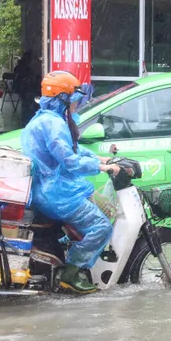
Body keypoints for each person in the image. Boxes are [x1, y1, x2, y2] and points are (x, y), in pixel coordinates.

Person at [21, 71, 120, 294]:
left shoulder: (46, 119)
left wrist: (99, 158)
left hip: (51, 189)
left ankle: (67, 254)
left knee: (98, 213)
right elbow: (68, 160)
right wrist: (101, 167)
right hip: (57, 193)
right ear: (62, 98)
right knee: (101, 226)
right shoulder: (53, 124)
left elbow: (72, 148)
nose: (76, 104)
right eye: (73, 99)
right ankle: (71, 274)